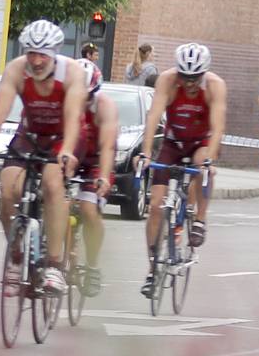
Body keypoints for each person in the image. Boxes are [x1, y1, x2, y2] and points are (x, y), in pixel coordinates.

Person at [0, 19, 88, 295]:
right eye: (31, 53)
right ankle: (16, 252)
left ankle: (55, 265)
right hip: (31, 134)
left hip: (64, 137)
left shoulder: (71, 73)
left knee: (52, 184)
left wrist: (68, 151)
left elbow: (74, 118)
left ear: (55, 53)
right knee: (8, 186)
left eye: (42, 54)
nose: (36, 61)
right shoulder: (16, 69)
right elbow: (1, 107)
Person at [138, 42, 226, 299]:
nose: (189, 82)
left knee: (202, 166)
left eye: (194, 77)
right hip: (173, 142)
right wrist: (144, 153)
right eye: (184, 76)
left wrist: (210, 158)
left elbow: (219, 125)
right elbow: (153, 116)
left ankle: (199, 218)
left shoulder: (214, 86)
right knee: (155, 206)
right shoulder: (166, 81)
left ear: (204, 73)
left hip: (202, 142)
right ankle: (153, 268)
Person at [68, 59, 118, 297]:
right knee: (56, 201)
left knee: (89, 210)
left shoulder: (105, 107)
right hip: (71, 157)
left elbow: (108, 146)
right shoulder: (63, 103)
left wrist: (104, 177)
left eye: (87, 97)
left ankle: (93, 265)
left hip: (97, 161)